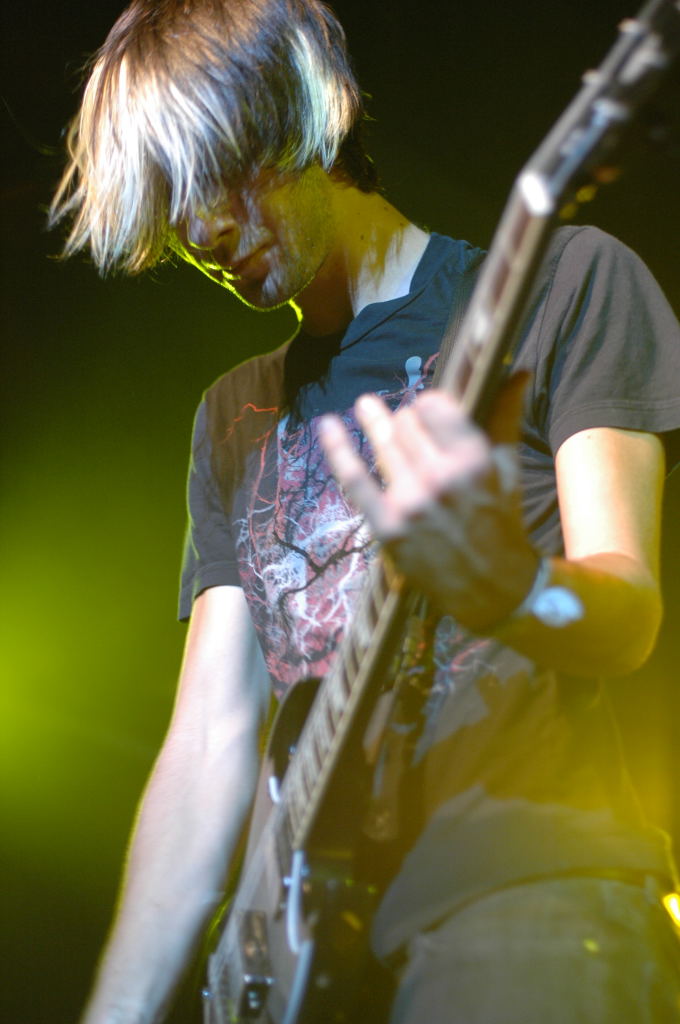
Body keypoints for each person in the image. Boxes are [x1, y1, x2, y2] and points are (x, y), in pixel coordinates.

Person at [50, 1, 680, 1021]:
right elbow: (208, 745)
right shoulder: (233, 417)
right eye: (172, 208)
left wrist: (515, 591)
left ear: (307, 115)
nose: (202, 231)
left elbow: (627, 612)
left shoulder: (563, 286)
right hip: (304, 963)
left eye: (217, 176)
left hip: (523, 892)